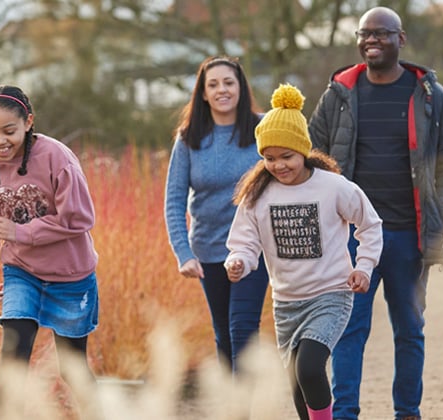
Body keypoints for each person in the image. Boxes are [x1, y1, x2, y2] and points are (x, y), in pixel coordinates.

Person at [307, 6, 443, 420]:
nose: (372, 40)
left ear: (401, 39)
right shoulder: (339, 95)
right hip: (351, 238)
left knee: (409, 332)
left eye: (382, 33)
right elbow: (313, 157)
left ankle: (407, 413)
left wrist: (442, 216)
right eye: (365, 34)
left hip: (408, 235)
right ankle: (345, 414)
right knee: (348, 330)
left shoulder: (430, 97)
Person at [225, 83, 383, 420]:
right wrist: (239, 260)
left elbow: (370, 224)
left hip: (330, 294)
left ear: (303, 151)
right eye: (269, 158)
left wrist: (364, 266)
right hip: (287, 303)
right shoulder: (259, 195)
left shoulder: (333, 187)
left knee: (310, 368)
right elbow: (244, 240)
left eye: (287, 157)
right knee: (298, 382)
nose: (279, 165)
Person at [0, 85, 100, 418]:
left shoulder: (57, 157)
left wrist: (22, 232)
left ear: (28, 122)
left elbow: (81, 217)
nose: (0, 140)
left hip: (71, 275)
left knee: (72, 369)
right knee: (13, 357)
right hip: (21, 272)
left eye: (9, 131)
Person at [164, 56, 270, 374]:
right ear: (203, 93)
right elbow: (174, 200)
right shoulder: (188, 140)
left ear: (240, 87)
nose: (221, 89)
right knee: (224, 335)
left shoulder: (263, 128)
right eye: (213, 84)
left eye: (228, 82)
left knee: (242, 330)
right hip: (208, 250)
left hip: (254, 248)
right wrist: (183, 253)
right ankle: (235, 403)